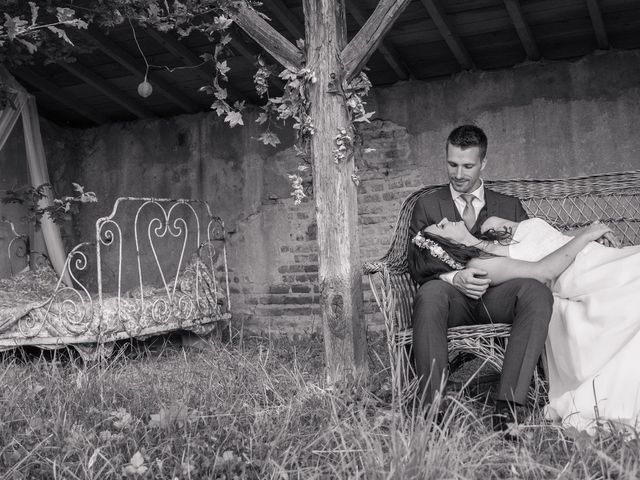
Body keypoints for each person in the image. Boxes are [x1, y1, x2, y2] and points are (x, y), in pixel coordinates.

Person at [416, 215, 638, 432]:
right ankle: (502, 413)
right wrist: (586, 235)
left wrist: (591, 234)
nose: (444, 220)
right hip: (581, 270)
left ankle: (508, 408)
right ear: (447, 245)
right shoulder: (481, 262)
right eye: (441, 227)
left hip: (594, 255)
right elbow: (544, 271)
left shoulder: (492, 225)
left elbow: (555, 237)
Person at [408, 125, 553, 430]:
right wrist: (453, 277)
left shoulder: (509, 206)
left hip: (498, 297)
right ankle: (433, 412)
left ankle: (508, 411)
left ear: (483, 163)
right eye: (452, 164)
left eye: (468, 166)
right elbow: (416, 263)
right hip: (451, 299)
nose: (458, 174)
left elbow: (528, 252)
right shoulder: (427, 205)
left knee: (537, 293)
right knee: (429, 294)